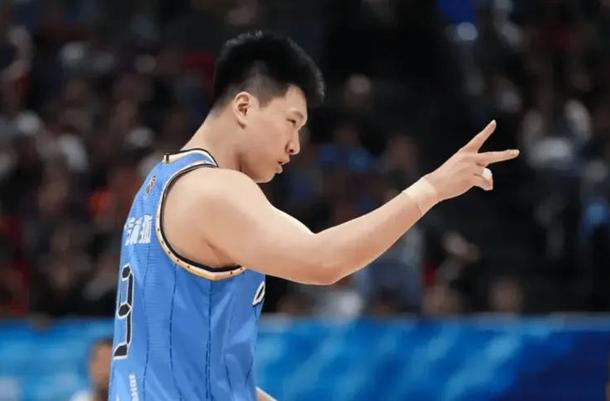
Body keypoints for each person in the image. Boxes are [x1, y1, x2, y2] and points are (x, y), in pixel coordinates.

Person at [108, 31, 519, 401]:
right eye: (292, 122)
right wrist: (431, 188)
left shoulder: (158, 184)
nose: (296, 145)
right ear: (244, 107)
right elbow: (323, 261)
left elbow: (199, 371)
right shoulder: (216, 189)